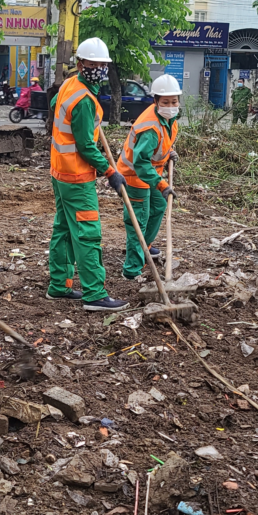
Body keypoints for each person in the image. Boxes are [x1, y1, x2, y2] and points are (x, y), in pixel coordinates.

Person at [47, 38, 130, 312]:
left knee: (63, 230)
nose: (98, 69)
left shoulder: (71, 84)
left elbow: (54, 104)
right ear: (81, 64)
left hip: (59, 172)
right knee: (87, 234)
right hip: (76, 177)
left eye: (102, 65)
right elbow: (85, 147)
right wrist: (110, 171)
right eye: (93, 64)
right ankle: (94, 293)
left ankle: (59, 286)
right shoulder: (84, 100)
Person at [117, 75, 181, 280]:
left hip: (150, 175)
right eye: (166, 102)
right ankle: (132, 269)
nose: (171, 106)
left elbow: (160, 147)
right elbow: (141, 163)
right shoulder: (150, 127)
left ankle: (146, 246)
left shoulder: (169, 120)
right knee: (139, 220)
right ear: (156, 101)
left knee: (159, 206)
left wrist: (169, 152)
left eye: (174, 101)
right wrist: (162, 184)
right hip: (134, 176)